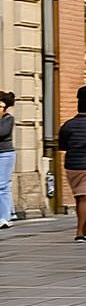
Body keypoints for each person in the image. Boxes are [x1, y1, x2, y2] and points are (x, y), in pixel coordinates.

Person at [59, 86, 86, 241]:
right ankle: (80, 232)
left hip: (71, 166)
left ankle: (85, 227)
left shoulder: (68, 125)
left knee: (80, 198)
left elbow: (62, 146)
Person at [0, 91, 14, 229]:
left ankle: (4, 217)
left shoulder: (8, 119)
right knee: (4, 185)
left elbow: (2, 132)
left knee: (2, 186)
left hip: (5, 154)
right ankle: (10, 212)